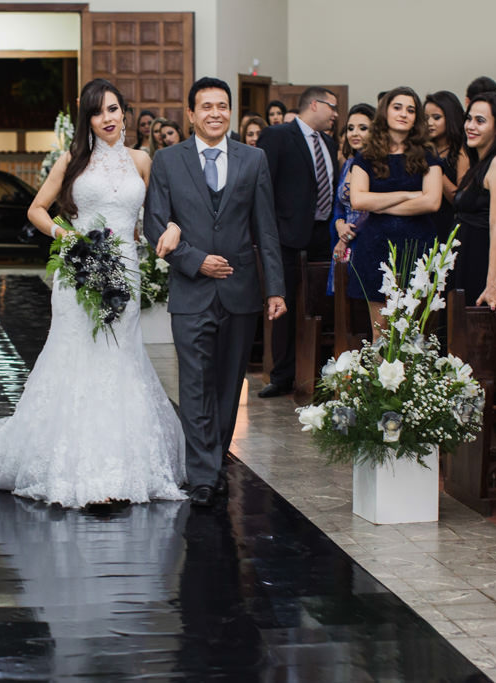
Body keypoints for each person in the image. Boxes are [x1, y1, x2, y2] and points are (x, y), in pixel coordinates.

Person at [0, 79, 186, 509]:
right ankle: (74, 465)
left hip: (126, 272)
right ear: (88, 120)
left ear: (124, 112)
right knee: (77, 358)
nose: (109, 118)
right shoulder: (73, 161)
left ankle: (123, 466)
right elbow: (36, 209)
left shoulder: (142, 161)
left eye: (114, 109)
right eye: (98, 113)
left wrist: (169, 228)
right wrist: (70, 238)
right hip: (79, 271)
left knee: (121, 358)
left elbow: (156, 216)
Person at [145, 76, 286, 506]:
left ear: (231, 111)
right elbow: (154, 224)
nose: (215, 113)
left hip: (240, 290)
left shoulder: (254, 159)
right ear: (191, 114)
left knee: (228, 386)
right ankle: (203, 474)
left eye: (222, 106)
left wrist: (275, 289)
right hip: (191, 290)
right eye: (205, 106)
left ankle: (214, 457)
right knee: (194, 384)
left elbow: (265, 227)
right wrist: (194, 260)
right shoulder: (168, 161)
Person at [256, 86, 339, 397]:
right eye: (332, 107)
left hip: (322, 236)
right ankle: (282, 376)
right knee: (284, 307)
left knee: (319, 307)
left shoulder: (329, 144)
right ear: (314, 105)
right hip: (285, 237)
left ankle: (317, 373)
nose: (335, 114)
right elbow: (263, 186)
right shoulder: (277, 136)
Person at [347, 86, 443, 338]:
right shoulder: (366, 156)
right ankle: (383, 377)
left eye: (411, 110)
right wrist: (408, 195)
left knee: (414, 333)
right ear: (385, 112)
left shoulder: (427, 154)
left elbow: (432, 202)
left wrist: (379, 201)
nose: (404, 114)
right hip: (376, 247)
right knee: (382, 334)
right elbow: (358, 200)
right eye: (397, 107)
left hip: (418, 246)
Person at [452, 91, 496, 310]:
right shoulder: (479, 164)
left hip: (481, 262)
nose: (470, 126)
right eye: (469, 119)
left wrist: (493, 284)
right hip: (466, 260)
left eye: (480, 121)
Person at [329, 103, 376, 292]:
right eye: (350, 128)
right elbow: (339, 203)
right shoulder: (348, 163)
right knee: (342, 301)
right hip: (343, 237)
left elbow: (370, 208)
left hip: (365, 238)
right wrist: (339, 224)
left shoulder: (378, 165)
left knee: (364, 298)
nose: (354, 133)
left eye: (363, 128)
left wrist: (346, 238)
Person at [425, 91, 468, 242]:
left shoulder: (460, 152)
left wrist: (435, 168)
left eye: (436, 118)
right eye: (426, 118)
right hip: (422, 223)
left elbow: (459, 200)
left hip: (447, 227)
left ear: (450, 117)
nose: (429, 123)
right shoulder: (421, 149)